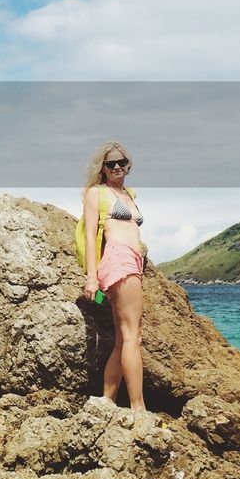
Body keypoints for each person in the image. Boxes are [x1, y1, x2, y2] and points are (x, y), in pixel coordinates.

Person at [80, 141, 147, 412]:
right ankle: (138, 407)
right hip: (117, 259)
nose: (117, 167)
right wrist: (91, 277)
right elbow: (89, 236)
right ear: (103, 168)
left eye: (122, 162)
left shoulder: (130, 194)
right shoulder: (97, 193)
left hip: (133, 261)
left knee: (123, 338)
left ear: (128, 165)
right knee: (134, 336)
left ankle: (107, 399)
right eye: (111, 164)